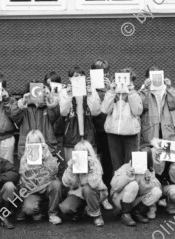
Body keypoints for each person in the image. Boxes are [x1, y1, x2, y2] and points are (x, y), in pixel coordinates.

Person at [100, 68, 143, 172]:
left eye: (127, 79)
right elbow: (105, 109)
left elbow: (137, 111)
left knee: (130, 166)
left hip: (130, 134)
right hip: (113, 133)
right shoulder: (112, 93)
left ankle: (129, 187)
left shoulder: (134, 94)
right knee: (116, 167)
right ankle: (118, 187)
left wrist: (131, 92)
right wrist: (111, 90)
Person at [18, 130, 63, 225]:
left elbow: (55, 171)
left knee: (56, 184)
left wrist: (47, 156)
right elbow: (24, 185)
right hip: (33, 191)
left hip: (47, 187)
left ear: (41, 143)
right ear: (27, 144)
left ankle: (53, 214)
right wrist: (28, 171)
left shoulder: (47, 154)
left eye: (36, 143)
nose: (34, 145)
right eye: (31, 143)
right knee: (29, 209)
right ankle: (37, 211)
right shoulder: (24, 159)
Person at [59, 141, 108, 227]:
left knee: (87, 189)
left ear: (89, 153)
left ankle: (96, 215)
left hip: (95, 193)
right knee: (65, 208)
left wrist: (90, 168)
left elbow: (95, 184)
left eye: (84, 153)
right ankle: (82, 210)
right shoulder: (74, 164)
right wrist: (70, 168)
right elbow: (66, 182)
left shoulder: (95, 163)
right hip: (79, 193)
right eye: (79, 152)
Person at [110, 149, 162, 227]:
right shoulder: (126, 167)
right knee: (133, 184)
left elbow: (158, 187)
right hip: (121, 199)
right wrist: (127, 175)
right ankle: (125, 214)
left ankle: (137, 212)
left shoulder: (149, 170)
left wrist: (148, 181)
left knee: (157, 191)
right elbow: (114, 186)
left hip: (136, 201)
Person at [59, 67, 101, 164]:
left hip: (89, 132)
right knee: (72, 166)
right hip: (71, 134)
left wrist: (90, 94)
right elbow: (63, 112)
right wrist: (69, 95)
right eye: (76, 76)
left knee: (91, 165)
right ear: (70, 79)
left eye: (81, 75)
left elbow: (96, 112)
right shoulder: (64, 92)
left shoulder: (91, 90)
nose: (79, 78)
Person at [14, 80, 60, 162]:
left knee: (48, 173)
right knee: (27, 174)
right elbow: (14, 116)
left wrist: (50, 98)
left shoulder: (48, 106)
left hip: (47, 148)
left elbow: (56, 115)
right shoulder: (24, 107)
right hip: (27, 149)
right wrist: (23, 101)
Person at [139, 66, 175, 144]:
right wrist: (145, 89)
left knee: (166, 154)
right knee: (152, 154)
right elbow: (140, 107)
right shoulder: (143, 90)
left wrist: (170, 87)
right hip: (150, 129)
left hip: (166, 129)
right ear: (147, 77)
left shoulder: (166, 89)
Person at [90, 59, 115, 189]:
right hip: (91, 128)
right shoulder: (89, 86)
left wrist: (110, 89)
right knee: (93, 160)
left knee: (107, 160)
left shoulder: (112, 86)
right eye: (99, 72)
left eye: (105, 72)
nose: (103, 75)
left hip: (107, 129)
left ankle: (107, 187)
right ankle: (95, 188)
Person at [151, 135, 175, 215]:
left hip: (169, 185)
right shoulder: (155, 152)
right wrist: (158, 159)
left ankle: (171, 202)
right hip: (156, 185)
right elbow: (157, 171)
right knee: (153, 189)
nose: (170, 149)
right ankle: (152, 205)